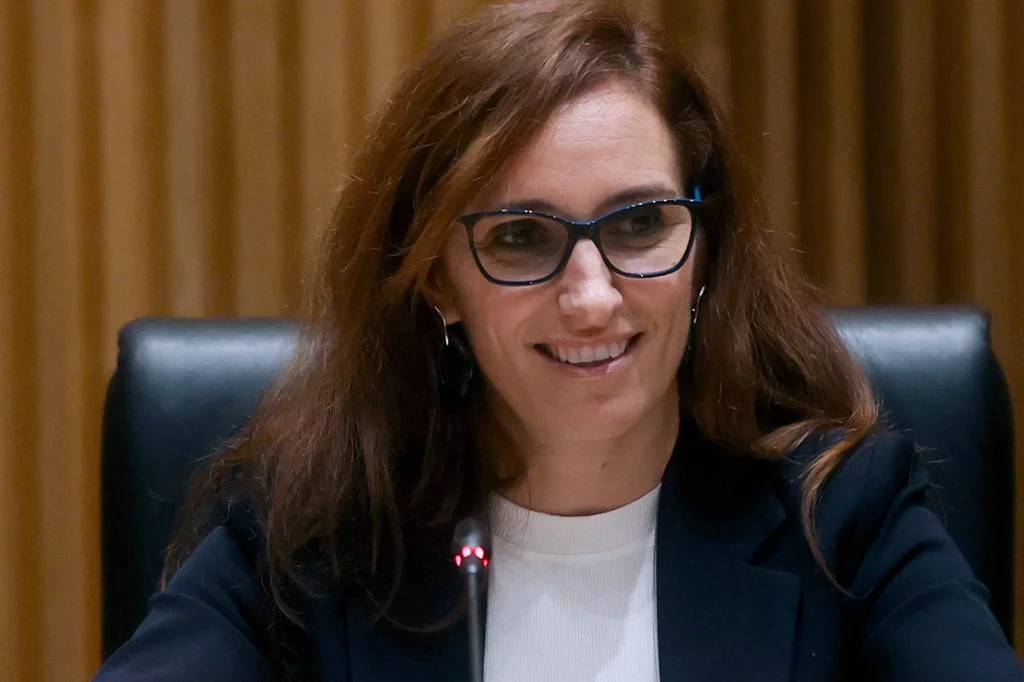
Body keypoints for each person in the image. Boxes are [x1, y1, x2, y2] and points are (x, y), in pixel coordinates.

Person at [95, 1, 1024, 680]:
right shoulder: (309, 532)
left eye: (638, 226)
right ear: (435, 282)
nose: (591, 297)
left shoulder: (845, 518)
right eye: (519, 237)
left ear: (703, 247)